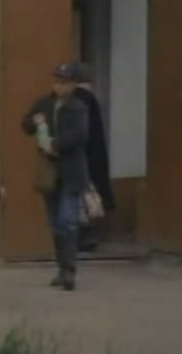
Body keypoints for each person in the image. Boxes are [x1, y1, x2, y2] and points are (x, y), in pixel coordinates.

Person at [22, 62, 89, 291]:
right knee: (55, 223)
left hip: (71, 172)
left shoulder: (79, 107)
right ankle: (61, 269)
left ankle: (69, 271)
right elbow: (25, 125)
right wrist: (34, 122)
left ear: (73, 85)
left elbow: (81, 134)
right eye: (57, 81)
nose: (60, 86)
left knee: (67, 220)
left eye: (65, 82)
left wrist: (56, 144)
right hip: (49, 172)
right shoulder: (44, 103)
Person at [72, 62, 115, 252]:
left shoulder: (79, 98)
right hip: (93, 152)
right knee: (91, 193)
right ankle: (88, 233)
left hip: (82, 153)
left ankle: (84, 235)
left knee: (82, 194)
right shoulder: (90, 97)